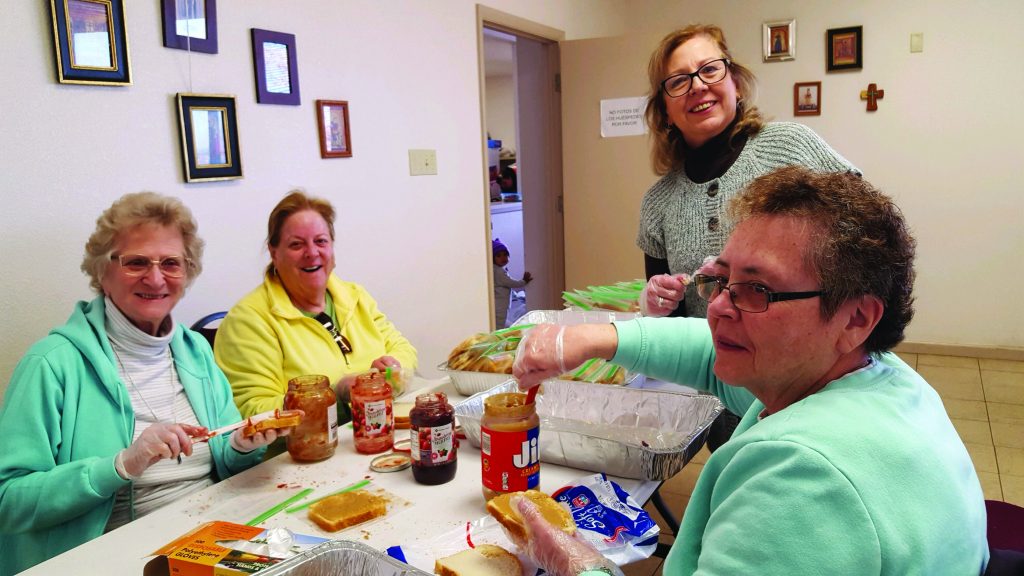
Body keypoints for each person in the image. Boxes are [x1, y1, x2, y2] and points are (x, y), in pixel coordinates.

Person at [512, 167, 989, 575]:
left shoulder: (802, 481)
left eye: (757, 289)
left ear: (856, 317)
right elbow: (712, 357)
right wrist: (595, 338)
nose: (718, 307)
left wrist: (583, 566)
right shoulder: (875, 371)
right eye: (721, 280)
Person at [0, 192, 290, 575]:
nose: (155, 278)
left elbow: (223, 461)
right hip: (110, 559)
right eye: (136, 262)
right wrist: (120, 464)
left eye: (170, 263)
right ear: (102, 272)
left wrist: (239, 445)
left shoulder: (193, 350)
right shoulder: (52, 364)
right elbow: (9, 501)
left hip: (207, 542)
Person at [636, 24, 859, 450]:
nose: (698, 87)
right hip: (727, 398)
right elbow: (674, 324)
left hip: (814, 384)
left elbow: (865, 232)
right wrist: (655, 304)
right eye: (679, 81)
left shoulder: (791, 148)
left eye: (710, 70)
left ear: (734, 82)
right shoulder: (658, 203)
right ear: (664, 109)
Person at [215, 190, 417, 425]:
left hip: (373, 433)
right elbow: (252, 413)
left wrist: (393, 368)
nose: (312, 253)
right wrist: (333, 395)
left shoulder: (354, 296)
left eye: (320, 241)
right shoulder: (248, 320)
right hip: (299, 456)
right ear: (274, 252)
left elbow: (402, 347)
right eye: (296, 244)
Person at [492, 238, 532, 328]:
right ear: (493, 258)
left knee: (501, 320)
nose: (503, 258)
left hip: (499, 303)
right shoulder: (499, 272)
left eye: (505, 255)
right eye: (498, 256)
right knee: (500, 322)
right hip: (500, 305)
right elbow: (511, 283)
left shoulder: (496, 270)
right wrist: (524, 281)